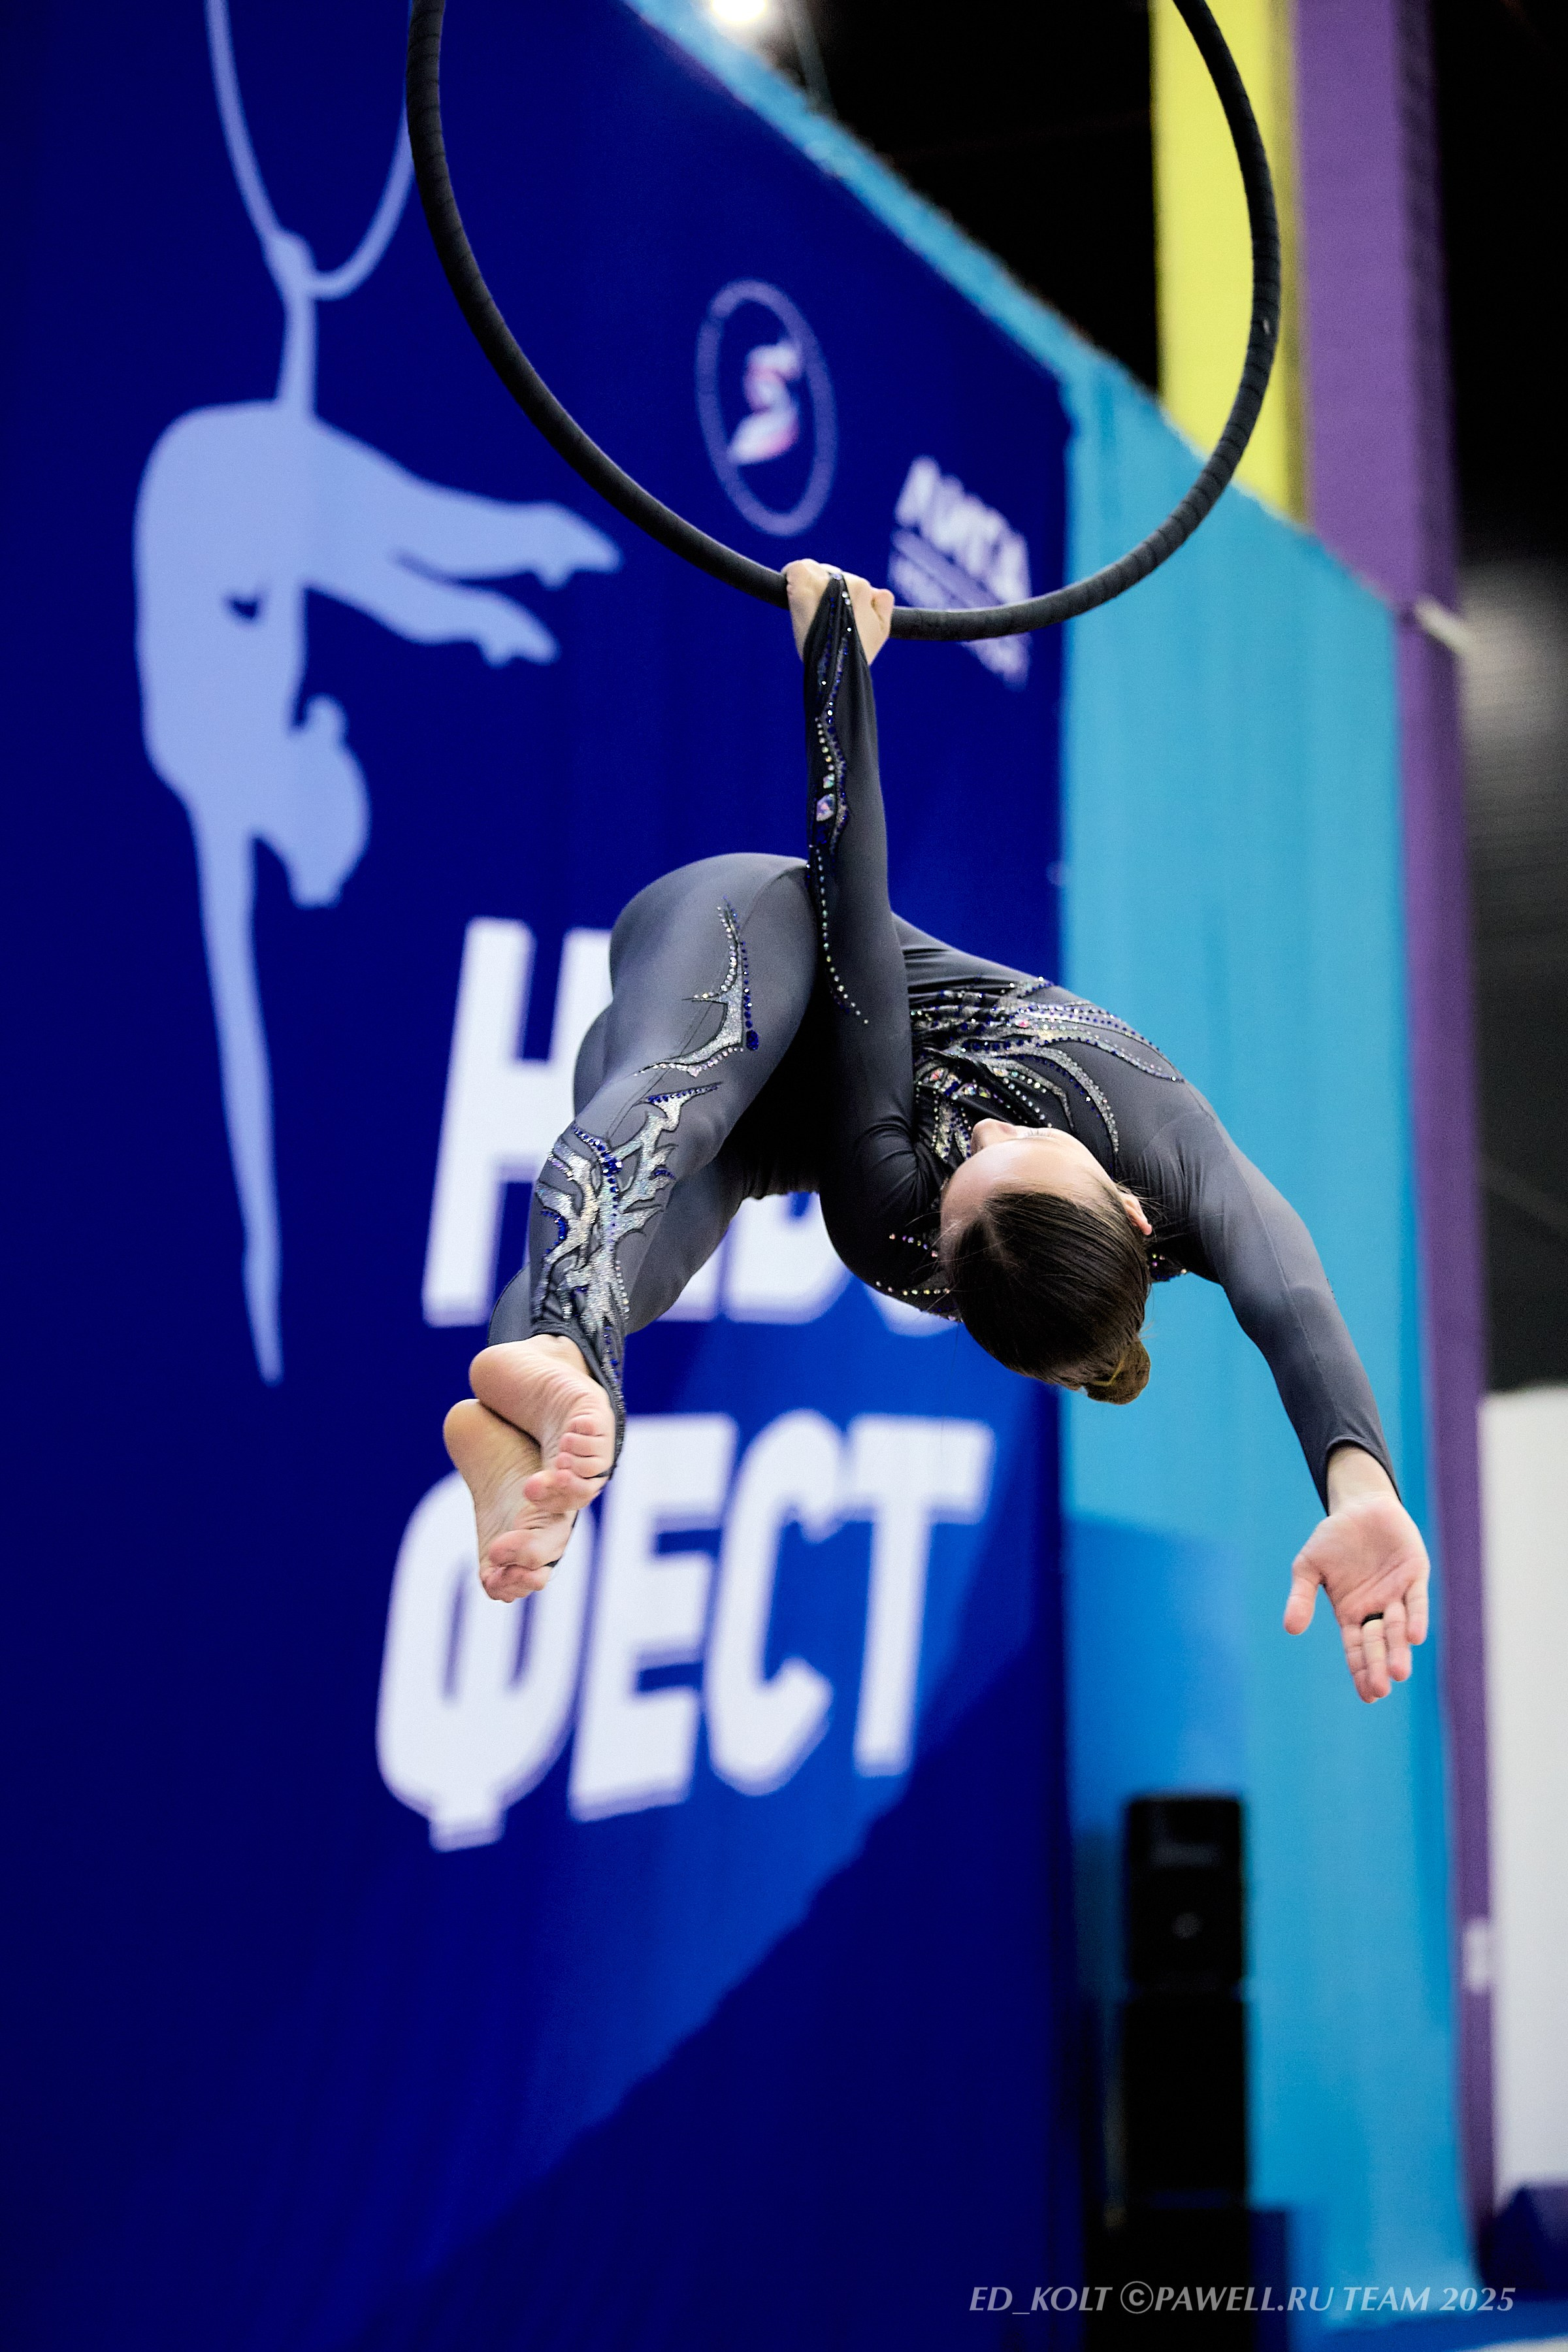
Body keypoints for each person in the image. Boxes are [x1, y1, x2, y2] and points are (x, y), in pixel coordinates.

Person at [444, 563, 1429, 1705]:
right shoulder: (1159, 1135)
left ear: (946, 1269)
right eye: (1015, 1152)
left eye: (960, 1187)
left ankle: (531, 1431)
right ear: (1131, 1204)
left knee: (635, 1268)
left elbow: (887, 1070)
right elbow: (1290, 1301)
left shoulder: (892, 1214)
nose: (981, 1138)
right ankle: (565, 1368)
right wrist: (1362, 1489)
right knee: (678, 1104)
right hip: (755, 949)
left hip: (775, 1113)